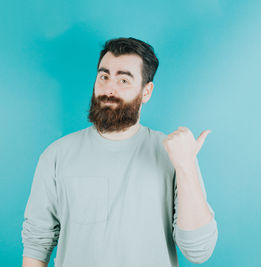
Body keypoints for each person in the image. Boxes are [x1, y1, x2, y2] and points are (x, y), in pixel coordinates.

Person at [21, 37, 218, 267]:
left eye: (124, 80)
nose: (109, 89)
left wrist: (186, 167)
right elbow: (37, 243)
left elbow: (199, 251)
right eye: (104, 76)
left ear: (146, 92)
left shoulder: (173, 155)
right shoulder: (56, 156)